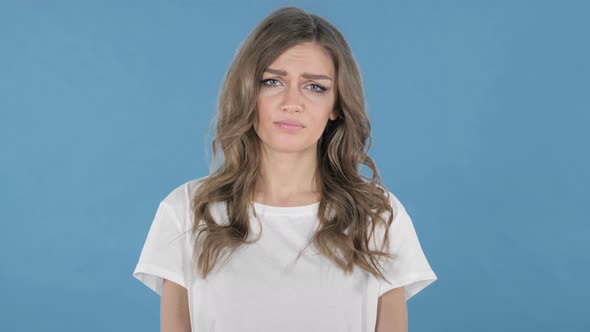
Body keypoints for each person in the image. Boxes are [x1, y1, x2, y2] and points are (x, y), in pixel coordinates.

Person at [133, 6, 437, 332]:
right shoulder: (187, 211)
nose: (292, 102)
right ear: (248, 92)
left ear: (336, 105)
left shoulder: (377, 215)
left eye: (314, 86)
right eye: (273, 81)